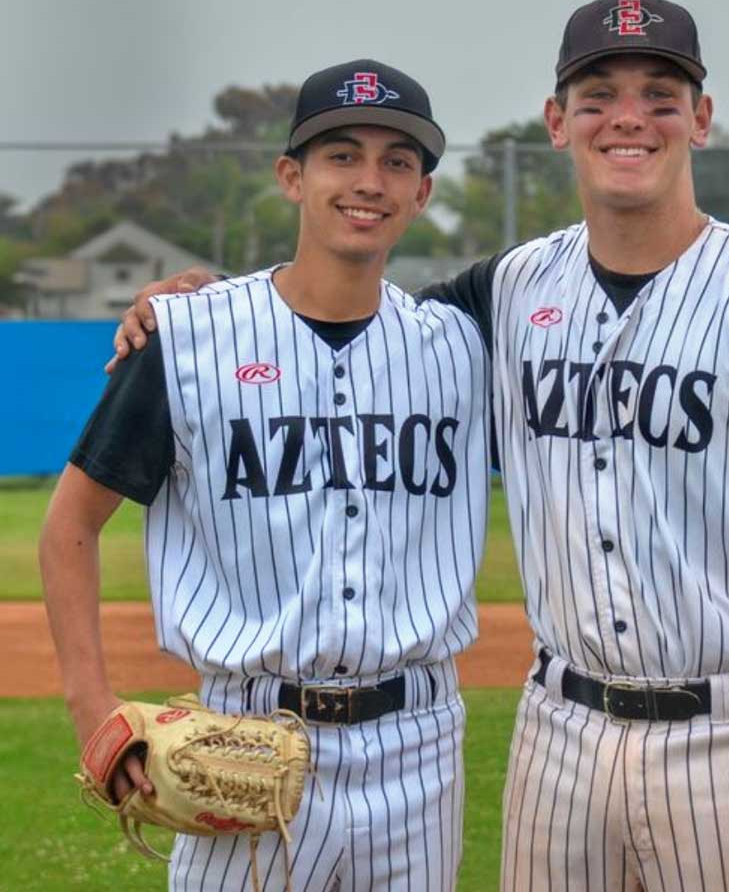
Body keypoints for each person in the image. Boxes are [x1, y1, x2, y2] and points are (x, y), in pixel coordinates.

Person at [113, 0, 729, 892]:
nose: (628, 117)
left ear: (700, 120)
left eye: (660, 94)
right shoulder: (509, 290)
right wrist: (205, 306)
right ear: (558, 121)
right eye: (598, 94)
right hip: (558, 735)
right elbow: (339, 314)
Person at [40, 59, 492, 891]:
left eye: (399, 162)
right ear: (293, 176)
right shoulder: (187, 338)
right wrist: (92, 710)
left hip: (421, 745)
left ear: (422, 194)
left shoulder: (464, 342)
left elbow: (617, 286)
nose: (370, 181)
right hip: (245, 739)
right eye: (342, 155)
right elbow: (70, 525)